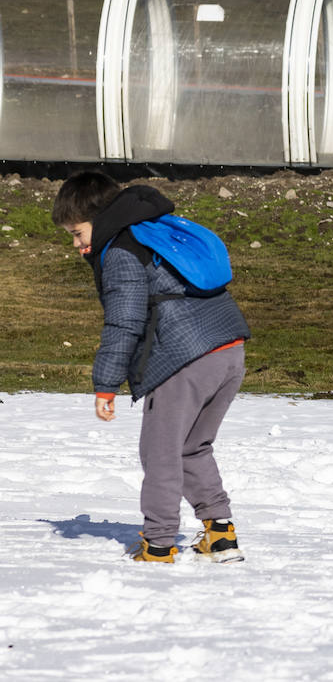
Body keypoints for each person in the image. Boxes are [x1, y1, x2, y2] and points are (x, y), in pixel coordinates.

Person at [52, 171, 250, 564]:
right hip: (228, 349)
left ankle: (158, 543)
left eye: (77, 233)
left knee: (160, 452)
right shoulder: (154, 230)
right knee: (192, 448)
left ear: (98, 217)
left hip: (184, 359)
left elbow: (124, 322)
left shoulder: (123, 249)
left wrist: (105, 385)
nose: (77, 245)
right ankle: (220, 534)